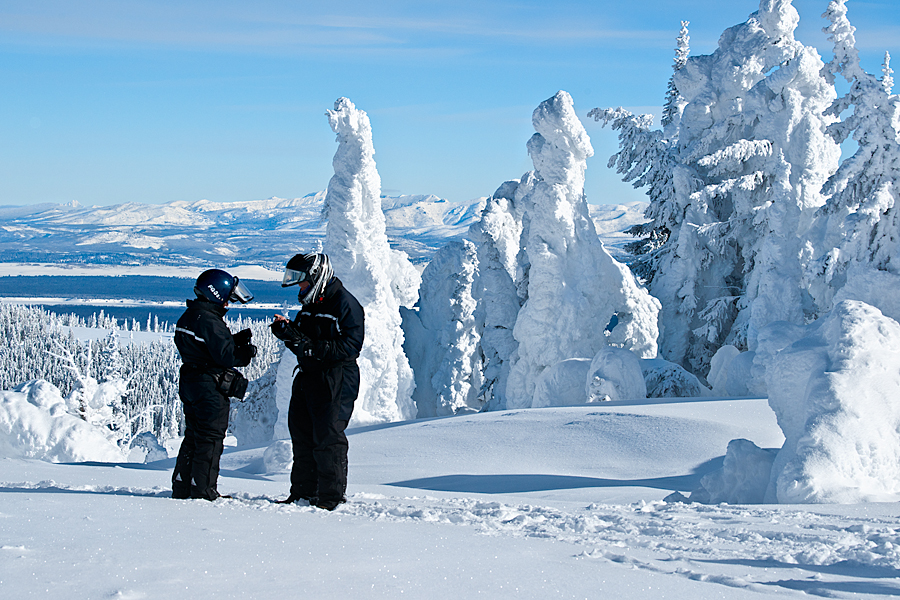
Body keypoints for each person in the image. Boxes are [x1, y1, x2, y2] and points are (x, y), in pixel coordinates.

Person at [271, 252, 364, 510]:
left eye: (302, 281)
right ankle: (302, 494)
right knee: (301, 434)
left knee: (328, 437)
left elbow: (351, 346)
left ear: (317, 277)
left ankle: (330, 498)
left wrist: (310, 346)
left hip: (335, 378)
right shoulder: (311, 304)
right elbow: (302, 343)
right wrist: (288, 334)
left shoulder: (345, 304)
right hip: (308, 376)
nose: (299, 287)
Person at [171, 268, 257, 500]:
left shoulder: (190, 316)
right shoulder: (209, 320)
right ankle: (203, 489)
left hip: (190, 380)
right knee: (210, 437)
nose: (229, 302)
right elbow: (225, 356)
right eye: (228, 297)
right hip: (208, 386)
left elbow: (204, 347)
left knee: (194, 435)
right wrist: (245, 352)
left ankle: (182, 485)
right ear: (216, 294)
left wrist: (232, 340)